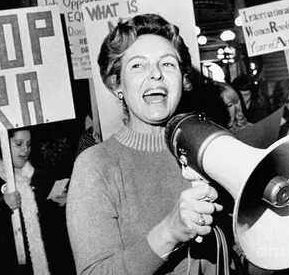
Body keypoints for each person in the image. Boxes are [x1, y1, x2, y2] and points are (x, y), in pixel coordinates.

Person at [66, 14, 227, 275]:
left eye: (167, 64)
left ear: (183, 81)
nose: (156, 74)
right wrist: (170, 232)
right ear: (117, 84)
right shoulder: (96, 165)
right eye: (138, 66)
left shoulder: (211, 148)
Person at [0, 128, 51, 275]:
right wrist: (2, 206)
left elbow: (51, 227)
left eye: (29, 144)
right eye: (19, 144)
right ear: (4, 145)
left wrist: (60, 202)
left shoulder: (39, 176)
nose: (25, 150)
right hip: (9, 267)